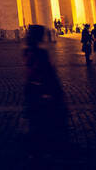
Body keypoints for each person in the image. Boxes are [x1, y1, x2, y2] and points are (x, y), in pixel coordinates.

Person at [22, 25, 67, 161]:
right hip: (43, 92)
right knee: (45, 122)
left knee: (36, 122)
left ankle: (35, 151)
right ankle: (47, 151)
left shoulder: (27, 51)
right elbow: (48, 74)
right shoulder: (40, 53)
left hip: (32, 91)